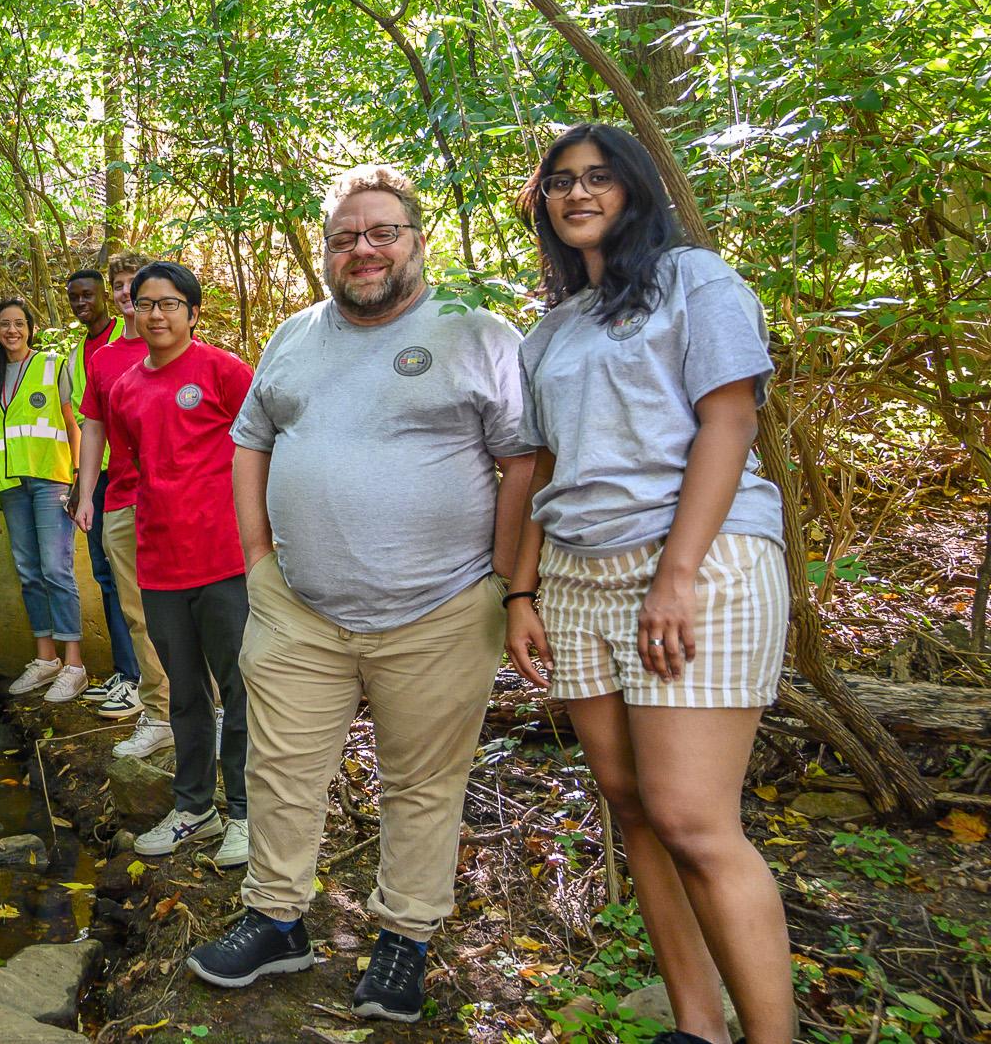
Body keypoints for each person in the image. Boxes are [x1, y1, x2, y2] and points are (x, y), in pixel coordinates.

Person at [186, 165, 537, 1025]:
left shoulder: (476, 331)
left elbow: (524, 459)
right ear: (326, 252)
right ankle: (276, 918)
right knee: (279, 769)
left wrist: (504, 580)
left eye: (383, 232)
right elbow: (251, 439)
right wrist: (258, 557)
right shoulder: (294, 335)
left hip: (442, 608)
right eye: (345, 236)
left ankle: (404, 937)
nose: (363, 249)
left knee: (422, 782)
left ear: (417, 240)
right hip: (298, 609)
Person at [505, 124, 794, 1044]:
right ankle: (696, 1026)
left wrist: (676, 574)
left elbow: (730, 420)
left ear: (635, 188)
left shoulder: (694, 279)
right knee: (630, 802)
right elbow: (548, 465)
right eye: (561, 181)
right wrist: (521, 592)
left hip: (696, 560)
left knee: (691, 818)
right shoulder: (551, 330)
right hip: (576, 575)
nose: (578, 193)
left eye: (599, 177)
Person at [103, 263, 254, 866]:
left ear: (193, 312)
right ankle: (195, 808)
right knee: (184, 694)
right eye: (145, 304)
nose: (156, 314)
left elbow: (264, 448)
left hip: (225, 559)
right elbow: (134, 466)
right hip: (160, 563)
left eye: (169, 304)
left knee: (241, 688)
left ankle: (245, 812)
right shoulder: (124, 389)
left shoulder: (223, 371)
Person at [73, 255, 175, 759]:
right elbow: (93, 429)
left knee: (189, 613)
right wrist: (85, 494)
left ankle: (214, 711)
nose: (127, 293)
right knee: (137, 613)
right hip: (121, 499)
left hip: (177, 504)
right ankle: (160, 715)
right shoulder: (104, 359)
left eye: (136, 284)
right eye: (119, 285)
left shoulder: (187, 351)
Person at [0, 298, 88, 703]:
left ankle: (74, 666)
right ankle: (46, 659)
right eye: (4, 324)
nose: (12, 331)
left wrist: (78, 478)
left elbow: (72, 424)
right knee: (29, 572)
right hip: (10, 486)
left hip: (51, 479)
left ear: (30, 328)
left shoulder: (52, 366)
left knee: (56, 568)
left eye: (19, 323)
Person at [64, 267, 143, 718]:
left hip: (138, 477)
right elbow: (87, 423)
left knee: (137, 579)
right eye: (73, 297)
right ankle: (126, 671)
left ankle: (143, 678)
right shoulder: (82, 353)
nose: (82, 303)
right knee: (106, 576)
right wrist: (83, 485)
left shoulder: (136, 335)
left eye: (88, 294)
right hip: (102, 478)